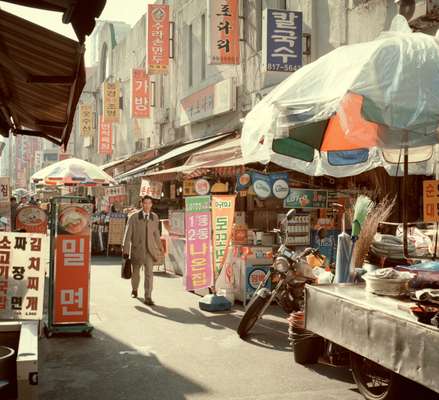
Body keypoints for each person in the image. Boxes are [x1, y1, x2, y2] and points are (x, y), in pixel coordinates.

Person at [122, 195, 164, 305]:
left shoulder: (154, 217)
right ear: (141, 204)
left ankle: (148, 296)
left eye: (149, 203)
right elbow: (128, 235)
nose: (147, 205)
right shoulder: (133, 217)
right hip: (137, 250)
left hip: (150, 251)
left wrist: (160, 248)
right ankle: (134, 289)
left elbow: (156, 234)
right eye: (145, 203)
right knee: (135, 273)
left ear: (151, 204)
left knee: (149, 274)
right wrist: (126, 250)